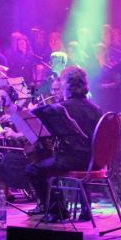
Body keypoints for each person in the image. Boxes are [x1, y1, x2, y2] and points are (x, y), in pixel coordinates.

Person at [25, 66, 102, 221]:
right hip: (96, 162)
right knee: (75, 156)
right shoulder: (96, 109)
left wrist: (31, 111)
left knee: (33, 169)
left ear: (67, 86)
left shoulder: (62, 108)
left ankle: (57, 210)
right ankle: (86, 209)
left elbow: (40, 123)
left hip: (74, 161)